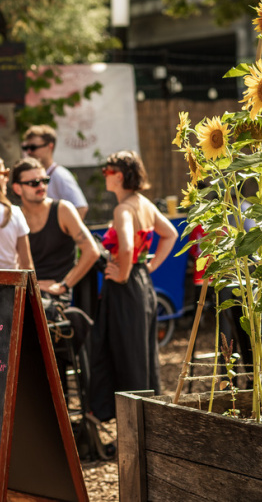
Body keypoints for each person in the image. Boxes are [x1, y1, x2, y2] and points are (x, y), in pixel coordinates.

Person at [89, 150, 177, 422]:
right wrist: (146, 267)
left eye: (107, 171)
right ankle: (146, 417)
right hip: (142, 284)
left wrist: (124, 273)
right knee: (141, 352)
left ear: (120, 176)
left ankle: (133, 420)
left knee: (126, 353)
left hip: (127, 288)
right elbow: (170, 234)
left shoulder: (124, 208)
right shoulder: (144, 203)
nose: (105, 175)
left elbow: (126, 246)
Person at [10, 157, 99, 298]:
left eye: (45, 181)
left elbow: (92, 251)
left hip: (56, 297)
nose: (41, 187)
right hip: (27, 292)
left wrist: (64, 285)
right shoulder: (15, 215)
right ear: (17, 188)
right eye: (34, 183)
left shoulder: (63, 209)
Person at [22, 125, 88, 220]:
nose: (29, 152)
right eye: (26, 148)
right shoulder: (37, 174)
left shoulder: (60, 175)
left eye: (33, 147)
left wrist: (66, 231)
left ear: (50, 146)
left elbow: (81, 207)